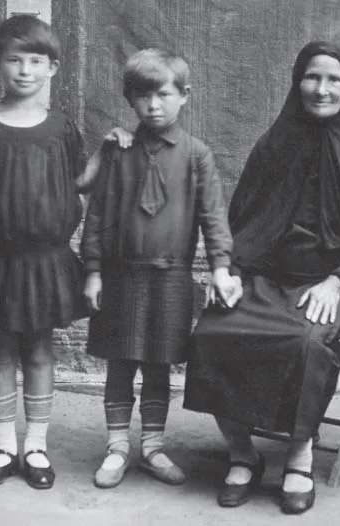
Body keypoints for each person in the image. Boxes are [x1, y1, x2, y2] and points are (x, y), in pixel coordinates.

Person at [183, 41, 340, 515]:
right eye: (312, 77)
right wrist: (230, 271)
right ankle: (243, 453)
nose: (322, 89)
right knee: (214, 329)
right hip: (268, 278)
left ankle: (299, 457)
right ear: (297, 81)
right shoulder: (275, 143)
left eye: (333, 79)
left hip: (339, 284)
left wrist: (339, 280)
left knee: (307, 340)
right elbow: (245, 221)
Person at [0, 14, 107, 489]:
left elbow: (78, 182)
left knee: (38, 351)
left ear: (52, 68)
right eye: (14, 60)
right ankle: (4, 448)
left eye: (36, 61)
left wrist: (110, 152)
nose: (24, 70)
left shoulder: (61, 128)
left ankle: (35, 447)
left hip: (46, 259)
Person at [80, 48, 238, 489]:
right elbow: (97, 215)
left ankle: (151, 446)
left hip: (172, 275)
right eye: (143, 96)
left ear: (184, 96)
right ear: (130, 99)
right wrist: (92, 270)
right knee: (120, 362)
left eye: (164, 94)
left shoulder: (196, 155)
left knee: (157, 364)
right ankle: (116, 447)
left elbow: (214, 216)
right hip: (121, 273)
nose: (154, 105)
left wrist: (222, 266)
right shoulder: (118, 152)